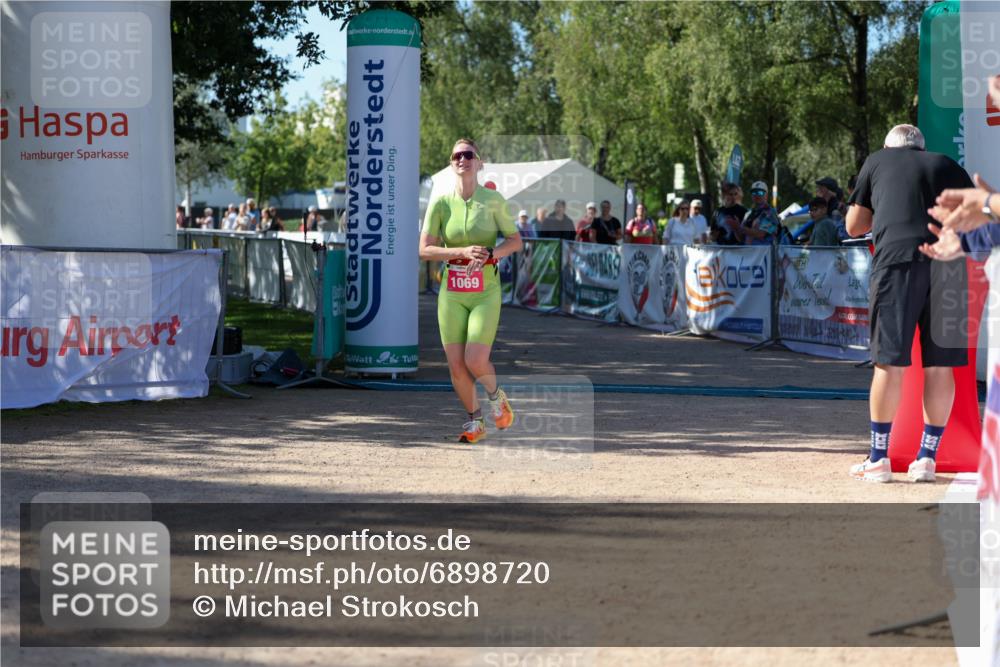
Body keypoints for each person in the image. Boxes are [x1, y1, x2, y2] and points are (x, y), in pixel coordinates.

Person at [845, 124, 974, 483]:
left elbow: (854, 225)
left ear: (890, 146)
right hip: (949, 266)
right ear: (921, 147)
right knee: (939, 366)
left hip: (897, 263)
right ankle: (927, 459)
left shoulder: (877, 161)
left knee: (888, 363)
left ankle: (878, 459)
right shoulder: (948, 164)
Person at [418, 138, 521, 443]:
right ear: (452, 164)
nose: (462, 159)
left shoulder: (492, 200)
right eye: (456, 156)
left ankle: (497, 398)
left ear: (479, 162)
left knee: (475, 359)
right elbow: (424, 250)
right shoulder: (440, 201)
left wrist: (491, 254)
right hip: (452, 292)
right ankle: (475, 421)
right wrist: (460, 251)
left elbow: (515, 241)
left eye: (468, 155)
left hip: (484, 291)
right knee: (455, 365)